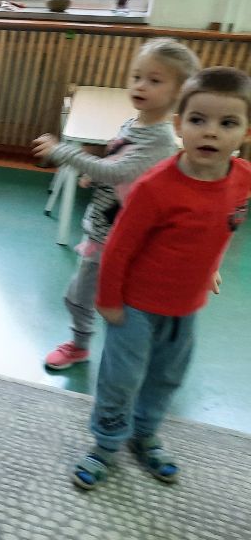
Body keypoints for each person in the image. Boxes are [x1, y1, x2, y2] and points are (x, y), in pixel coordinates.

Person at [72, 66, 251, 490]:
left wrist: (210, 268)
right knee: (121, 379)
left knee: (168, 376)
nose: (211, 132)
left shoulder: (243, 178)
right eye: (198, 120)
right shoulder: (156, 187)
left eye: (227, 123)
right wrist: (109, 301)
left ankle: (145, 435)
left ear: (245, 132)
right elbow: (119, 247)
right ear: (178, 125)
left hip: (186, 306)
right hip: (134, 306)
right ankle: (105, 445)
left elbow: (221, 226)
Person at [33, 38, 201, 370]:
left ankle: (115, 354)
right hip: (102, 231)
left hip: (122, 240)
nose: (140, 85)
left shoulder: (160, 140)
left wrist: (62, 151)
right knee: (82, 296)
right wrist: (95, 177)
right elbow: (120, 165)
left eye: (154, 80)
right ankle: (83, 345)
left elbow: (118, 170)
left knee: (110, 303)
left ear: (179, 92)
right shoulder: (134, 124)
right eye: (137, 77)